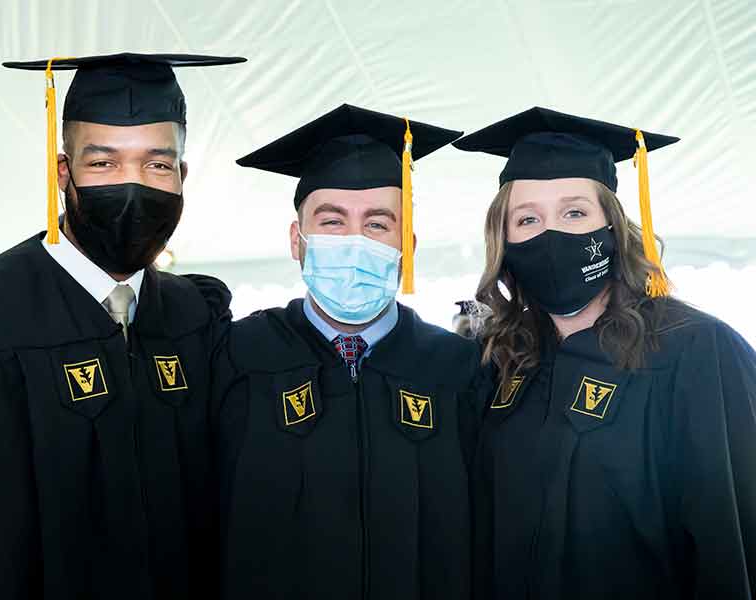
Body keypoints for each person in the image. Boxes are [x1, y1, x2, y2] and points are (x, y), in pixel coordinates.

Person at [0, 52, 245, 599]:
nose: (133, 184)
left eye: (157, 165)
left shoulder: (197, 318)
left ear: (182, 177)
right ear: (63, 171)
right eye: (104, 163)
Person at [454, 106, 756, 599]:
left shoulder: (697, 351)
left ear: (613, 228)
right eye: (527, 219)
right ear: (504, 243)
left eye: (575, 212)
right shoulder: (504, 365)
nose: (552, 235)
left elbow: (734, 547)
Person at [212, 104, 489, 599]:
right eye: (333, 222)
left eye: (378, 224)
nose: (355, 241)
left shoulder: (458, 371)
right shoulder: (237, 357)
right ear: (297, 241)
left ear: (408, 243)